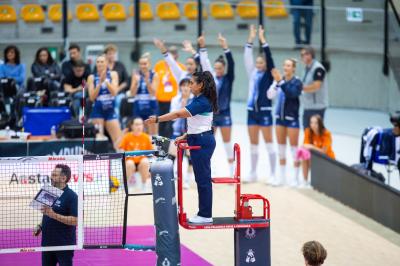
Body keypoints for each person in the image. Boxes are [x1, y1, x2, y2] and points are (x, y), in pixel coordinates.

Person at [146, 71, 217, 224]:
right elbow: (202, 122)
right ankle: (204, 213)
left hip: (202, 142)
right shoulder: (200, 100)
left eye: (192, 83)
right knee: (201, 179)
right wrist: (186, 135)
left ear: (201, 85)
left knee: (203, 180)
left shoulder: (202, 102)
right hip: (199, 138)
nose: (190, 85)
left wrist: (158, 119)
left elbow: (178, 114)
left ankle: (205, 215)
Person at [198, 33, 236, 173]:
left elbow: (232, 63)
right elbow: (204, 63)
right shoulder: (211, 79)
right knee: (209, 143)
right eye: (216, 68)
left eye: (220, 68)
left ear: (224, 69)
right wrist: (202, 47)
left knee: (227, 143)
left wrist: (225, 47)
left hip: (225, 114)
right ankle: (208, 170)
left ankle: (232, 171)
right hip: (212, 115)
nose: (218, 70)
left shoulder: (228, 78)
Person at [244, 25, 277, 182]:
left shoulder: (269, 75)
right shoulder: (252, 73)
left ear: (265, 65)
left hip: (264, 111)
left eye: (261, 63)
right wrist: (250, 38)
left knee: (269, 143)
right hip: (251, 111)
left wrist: (263, 40)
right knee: (253, 144)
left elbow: (269, 58)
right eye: (257, 63)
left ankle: (273, 174)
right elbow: (247, 57)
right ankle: (252, 172)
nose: (258, 65)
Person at [33, 164, 78, 266]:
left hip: (64, 245)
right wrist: (40, 225)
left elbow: (76, 220)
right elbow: (47, 213)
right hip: (47, 243)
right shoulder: (48, 192)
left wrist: (53, 215)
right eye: (51, 174)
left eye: (54, 175)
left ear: (63, 178)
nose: (51, 177)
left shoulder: (72, 196)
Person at [267, 59, 303, 186]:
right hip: (279, 119)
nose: (285, 67)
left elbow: (291, 93)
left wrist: (280, 82)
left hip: (292, 119)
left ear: (293, 68)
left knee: (294, 149)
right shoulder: (279, 80)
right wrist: (276, 83)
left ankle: (295, 178)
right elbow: (269, 95)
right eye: (284, 65)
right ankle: (282, 178)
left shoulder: (297, 82)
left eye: (288, 65)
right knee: (281, 149)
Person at [88, 54, 122, 150]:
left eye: (102, 61)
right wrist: (99, 83)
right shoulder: (91, 77)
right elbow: (91, 97)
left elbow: (114, 92)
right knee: (99, 138)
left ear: (106, 63)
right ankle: (99, 162)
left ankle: (121, 161)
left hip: (110, 110)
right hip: (98, 111)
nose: (99, 63)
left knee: (119, 139)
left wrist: (106, 81)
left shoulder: (113, 74)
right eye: (98, 62)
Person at [154, 45, 185, 138]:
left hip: (173, 101)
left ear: (177, 56)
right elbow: (155, 81)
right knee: (160, 124)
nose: (172, 56)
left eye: (174, 54)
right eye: (170, 54)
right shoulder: (159, 65)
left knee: (170, 125)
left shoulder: (181, 67)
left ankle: (170, 147)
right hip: (160, 100)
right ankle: (161, 147)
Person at [296, 114, 335, 187]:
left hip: (327, 158)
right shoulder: (308, 131)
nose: (313, 125)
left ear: (320, 124)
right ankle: (305, 181)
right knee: (304, 158)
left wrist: (311, 146)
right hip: (314, 156)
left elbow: (323, 152)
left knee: (312, 158)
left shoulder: (326, 133)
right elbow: (304, 146)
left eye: (316, 123)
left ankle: (315, 182)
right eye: (311, 122)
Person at [169, 78, 194, 189]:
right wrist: (181, 106)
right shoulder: (175, 100)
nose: (185, 88)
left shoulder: (195, 100)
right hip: (176, 132)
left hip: (190, 132)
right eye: (183, 85)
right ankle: (171, 179)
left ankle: (187, 180)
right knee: (172, 156)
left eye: (187, 85)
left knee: (190, 157)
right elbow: (173, 117)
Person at [119, 117, 153, 190]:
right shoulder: (127, 136)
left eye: (140, 124)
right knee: (130, 163)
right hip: (129, 162)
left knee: (145, 161)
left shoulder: (146, 137)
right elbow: (120, 149)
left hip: (141, 162)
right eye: (136, 124)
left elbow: (151, 153)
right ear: (132, 126)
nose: (139, 126)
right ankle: (125, 186)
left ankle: (144, 185)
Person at [130, 53, 159, 135]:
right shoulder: (136, 75)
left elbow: (153, 93)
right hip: (138, 106)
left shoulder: (154, 75)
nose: (143, 66)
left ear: (149, 64)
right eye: (141, 64)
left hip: (151, 106)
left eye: (145, 64)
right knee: (138, 132)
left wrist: (147, 82)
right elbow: (132, 94)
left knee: (153, 134)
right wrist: (136, 83)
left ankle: (154, 148)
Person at [301, 46, 328, 129]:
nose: (303, 57)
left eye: (306, 54)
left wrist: (301, 88)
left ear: (311, 55)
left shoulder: (318, 68)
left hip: (317, 107)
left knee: (316, 133)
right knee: (307, 133)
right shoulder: (307, 68)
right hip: (308, 106)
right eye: (302, 55)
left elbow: (316, 86)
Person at [103, 44, 129, 123]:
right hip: (105, 93)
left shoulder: (120, 65)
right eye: (109, 54)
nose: (112, 56)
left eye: (113, 53)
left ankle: (117, 122)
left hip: (118, 92)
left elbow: (126, 81)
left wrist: (117, 89)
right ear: (106, 55)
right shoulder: (102, 65)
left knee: (118, 101)